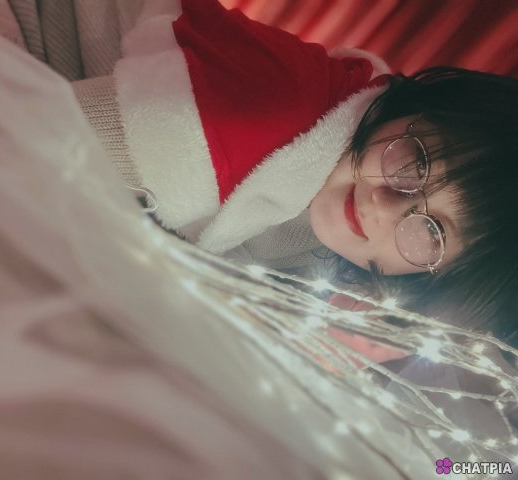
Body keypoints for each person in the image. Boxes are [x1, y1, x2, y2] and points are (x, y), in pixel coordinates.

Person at [72, 0, 518, 351]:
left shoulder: (334, 246)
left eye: (432, 231)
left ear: (433, 276)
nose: (383, 207)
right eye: (416, 164)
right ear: (417, 111)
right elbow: (50, 137)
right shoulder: (266, 113)